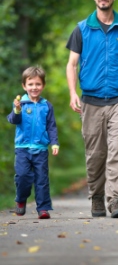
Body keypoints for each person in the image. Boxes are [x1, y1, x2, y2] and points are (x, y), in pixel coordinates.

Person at [66, 0, 118, 219]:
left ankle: (117, 200)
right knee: (95, 154)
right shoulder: (82, 29)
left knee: (117, 149)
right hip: (91, 101)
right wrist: (72, 93)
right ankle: (97, 196)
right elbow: (71, 65)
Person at [7, 66, 59, 219]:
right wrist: (16, 110)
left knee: (42, 179)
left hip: (41, 148)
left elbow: (51, 126)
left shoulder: (46, 105)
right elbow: (13, 120)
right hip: (22, 148)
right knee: (23, 176)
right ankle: (21, 200)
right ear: (24, 86)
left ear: (43, 85)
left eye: (37, 84)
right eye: (30, 84)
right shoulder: (20, 103)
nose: (34, 87)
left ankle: (43, 208)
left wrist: (54, 143)